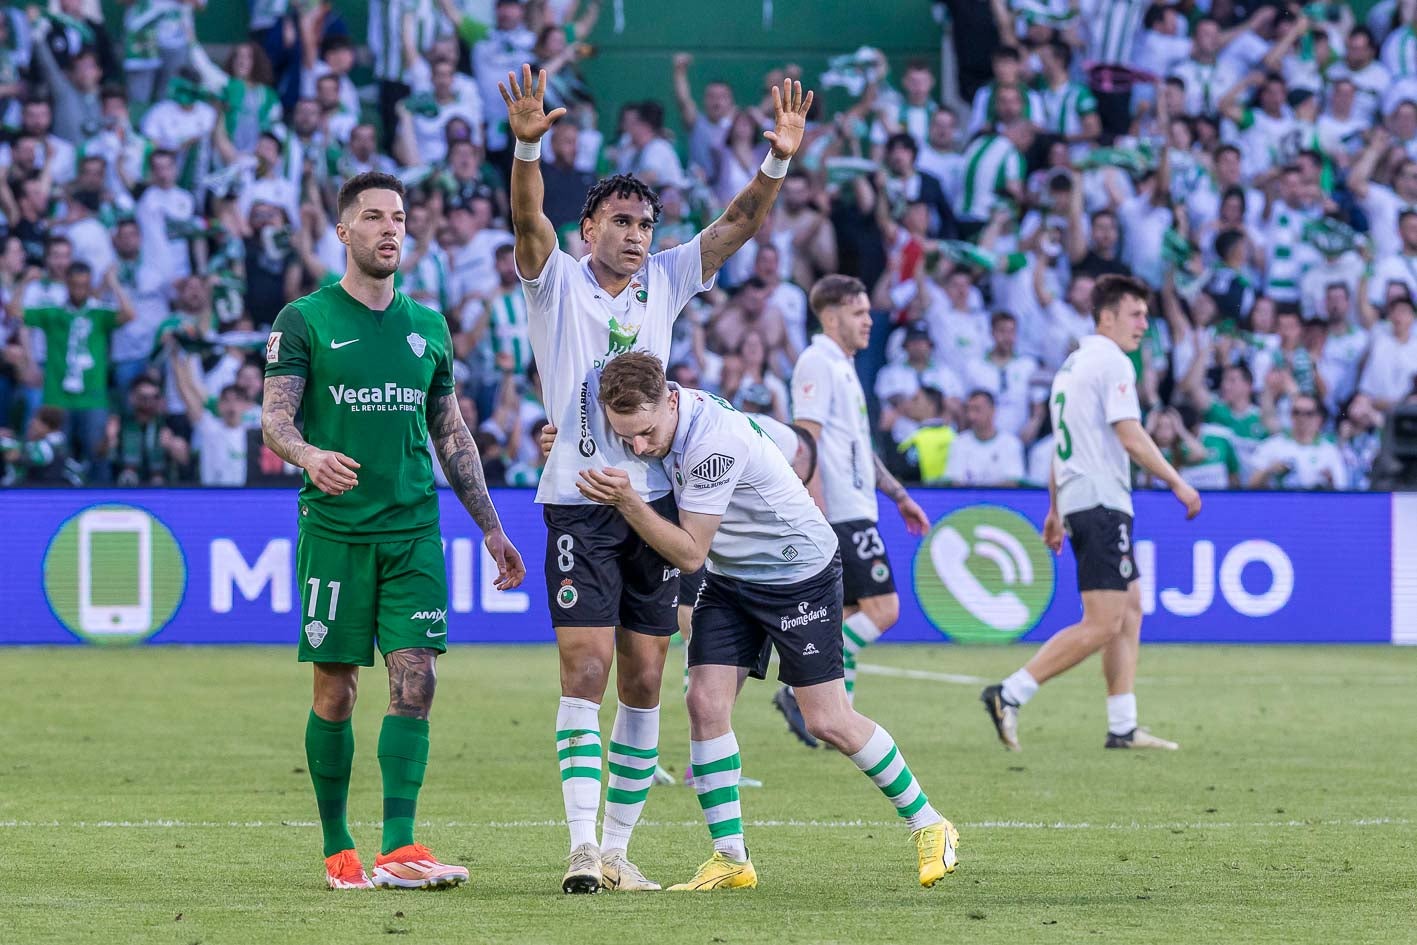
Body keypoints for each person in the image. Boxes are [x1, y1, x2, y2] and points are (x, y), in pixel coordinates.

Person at [500, 64, 813, 893]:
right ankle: (576, 846)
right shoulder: (555, 282)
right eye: (621, 220)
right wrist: (526, 147)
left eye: (644, 222)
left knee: (644, 678)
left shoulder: (667, 280)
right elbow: (525, 219)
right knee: (585, 670)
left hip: (655, 503)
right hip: (576, 502)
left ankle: (616, 847)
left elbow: (736, 224)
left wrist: (776, 160)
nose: (637, 234)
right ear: (589, 225)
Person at [580, 352, 959, 891]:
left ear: (671, 400)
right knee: (704, 702)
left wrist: (626, 502)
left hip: (798, 575)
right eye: (626, 437)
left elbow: (689, 554)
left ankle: (930, 823)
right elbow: (789, 447)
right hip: (733, 579)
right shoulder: (663, 418)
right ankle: (731, 859)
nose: (638, 446)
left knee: (826, 720)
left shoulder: (712, 442)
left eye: (644, 433)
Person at [262, 171, 525, 892]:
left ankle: (400, 846)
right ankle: (338, 847)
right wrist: (311, 454)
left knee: (418, 678)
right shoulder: (304, 319)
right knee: (337, 691)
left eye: (399, 218)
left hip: (413, 528)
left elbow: (452, 432)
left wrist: (492, 528)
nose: (389, 229)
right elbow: (274, 418)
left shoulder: (429, 326)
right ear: (342, 232)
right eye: (373, 217)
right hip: (337, 530)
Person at [981, 275, 1202, 753]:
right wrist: (1177, 481)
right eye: (1136, 314)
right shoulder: (1112, 361)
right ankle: (1009, 693)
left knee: (1131, 609)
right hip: (1102, 501)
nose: (1145, 323)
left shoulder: (1072, 366)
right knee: (1103, 621)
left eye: (1146, 313)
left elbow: (1063, 449)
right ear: (1106, 316)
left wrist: (1055, 509)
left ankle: (1122, 725)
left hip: (1083, 499)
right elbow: (1129, 434)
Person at [777, 275, 930, 738]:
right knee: (884, 609)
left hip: (858, 503)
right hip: (839, 511)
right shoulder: (817, 362)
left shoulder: (841, 365)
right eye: (860, 312)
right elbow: (808, 443)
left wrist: (898, 494)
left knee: (846, 615)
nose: (869, 321)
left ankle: (839, 719)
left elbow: (858, 446)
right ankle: (801, 680)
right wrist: (816, 512)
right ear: (831, 316)